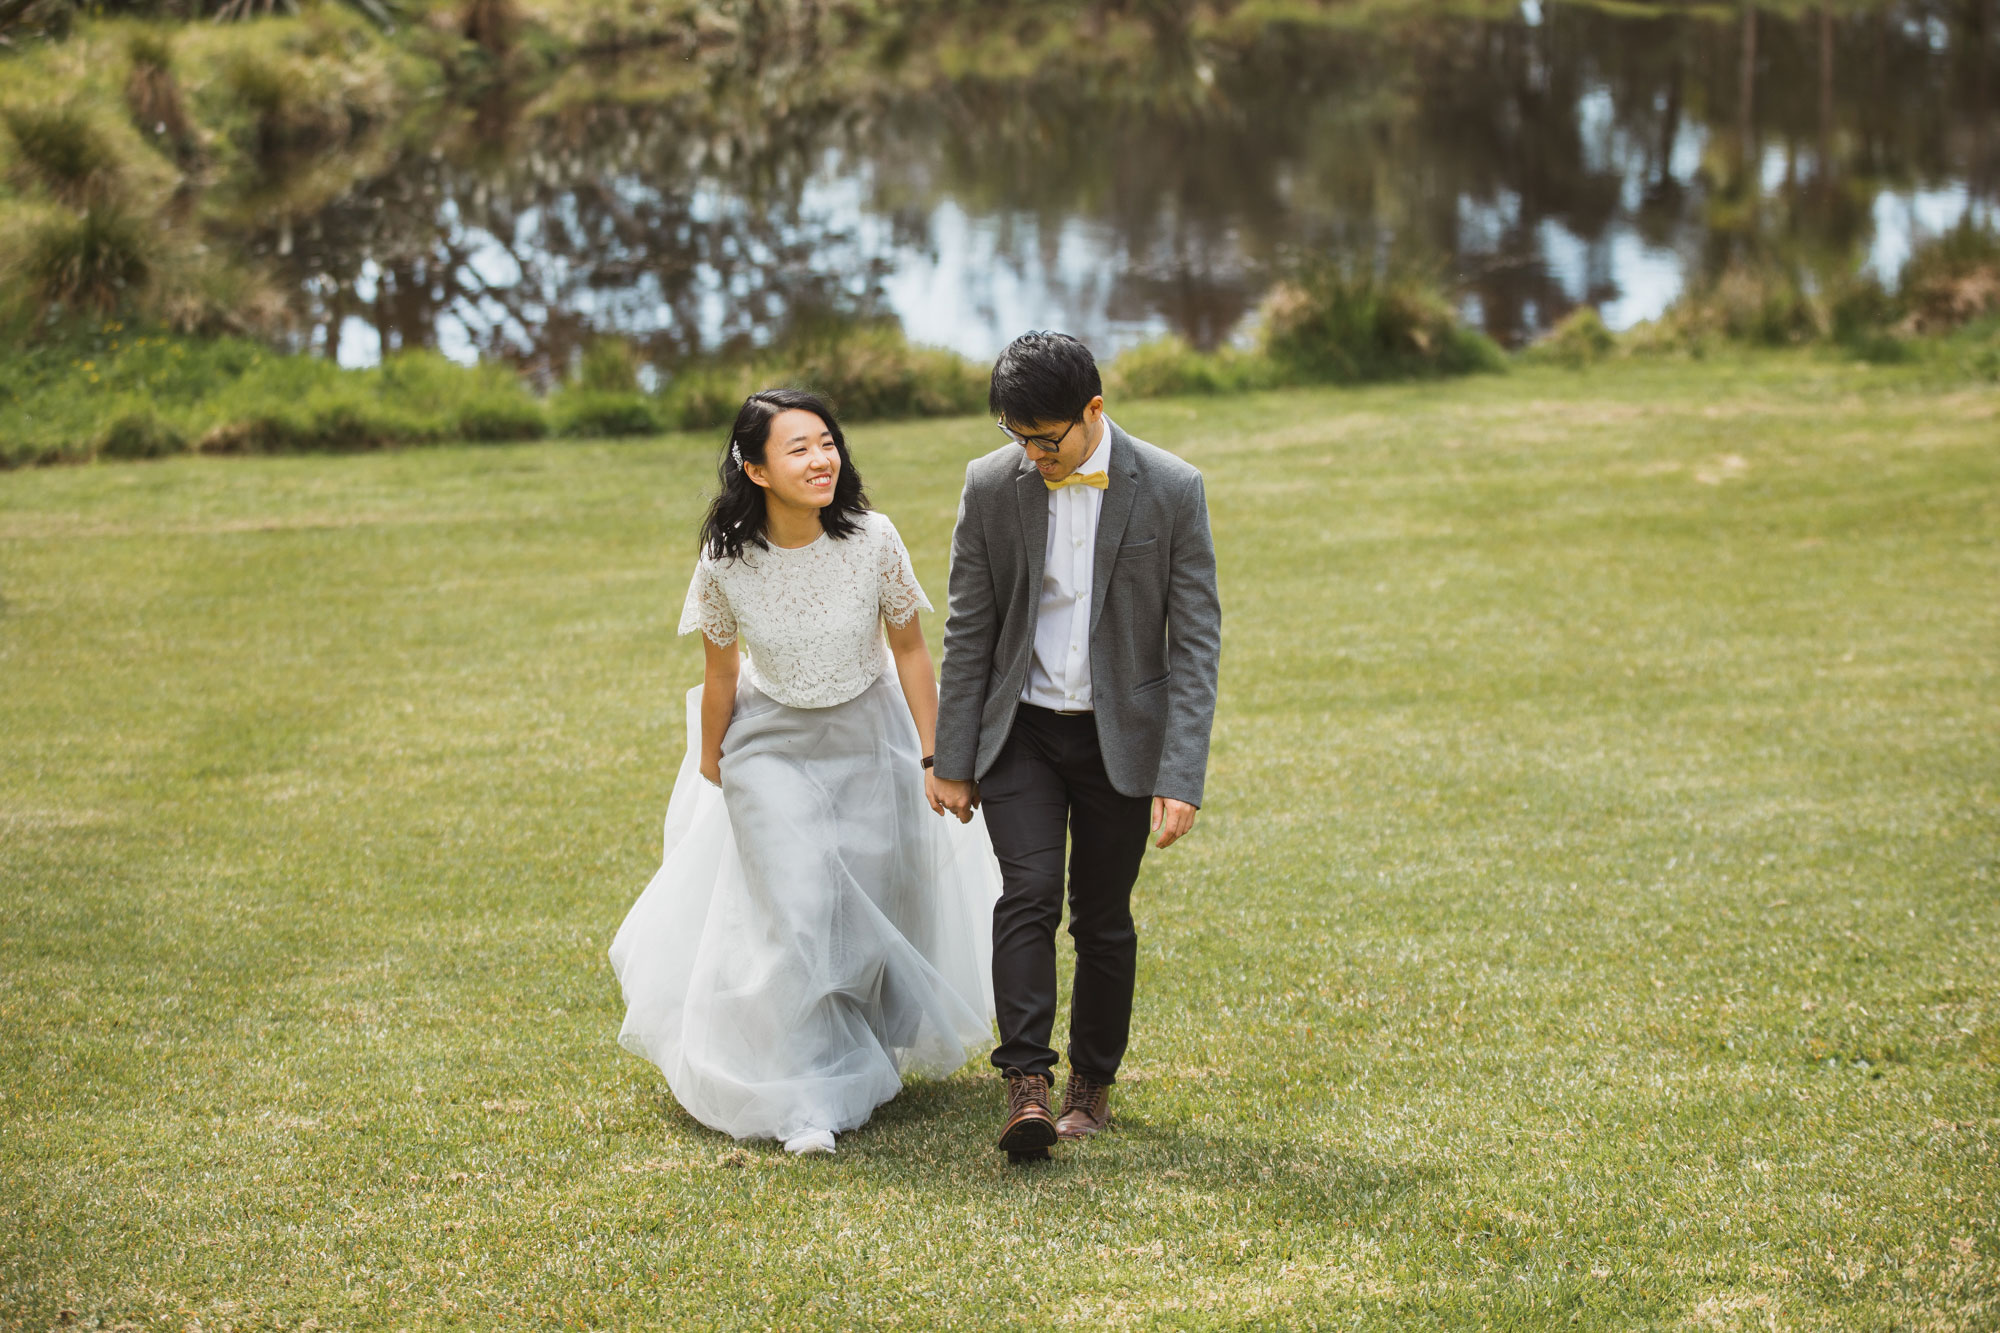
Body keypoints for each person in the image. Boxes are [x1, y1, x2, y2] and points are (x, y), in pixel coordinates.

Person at [609, 389, 1001, 1156]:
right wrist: (712, 758)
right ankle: (804, 1099)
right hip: (768, 746)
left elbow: (913, 651)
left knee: (870, 901)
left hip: (869, 734)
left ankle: (855, 1046)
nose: (822, 459)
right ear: (753, 468)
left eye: (828, 443)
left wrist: (935, 754)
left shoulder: (874, 539)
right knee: (797, 906)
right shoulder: (726, 560)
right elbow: (720, 673)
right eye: (799, 448)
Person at [928, 331, 1222, 1163]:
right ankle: (1026, 1080)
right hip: (1018, 728)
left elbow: (1196, 640)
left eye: (1046, 440)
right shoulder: (991, 486)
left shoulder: (1171, 487)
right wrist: (952, 756)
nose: (1031, 455)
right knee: (1027, 892)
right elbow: (969, 623)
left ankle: (1092, 1080)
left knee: (1101, 914)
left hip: (1117, 739)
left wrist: (1181, 773)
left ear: (1094, 411)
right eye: (1016, 437)